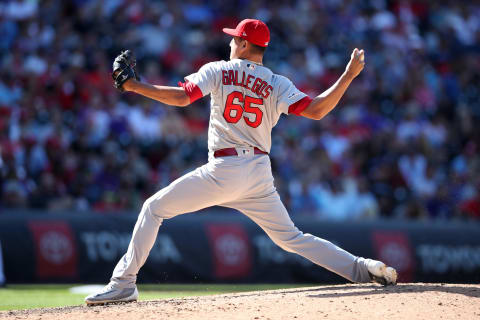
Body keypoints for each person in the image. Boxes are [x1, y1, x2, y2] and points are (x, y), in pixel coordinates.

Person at [85, 19, 397, 305]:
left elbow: (182, 98)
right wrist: (347, 76)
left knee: (153, 208)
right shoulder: (277, 82)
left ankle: (124, 283)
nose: (231, 43)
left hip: (225, 169)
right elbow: (316, 110)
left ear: (245, 44)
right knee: (292, 239)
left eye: (235, 39)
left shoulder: (219, 69)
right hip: (259, 174)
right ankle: (361, 268)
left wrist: (134, 86)